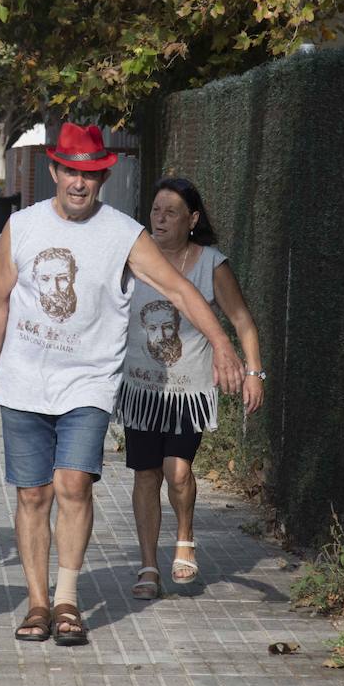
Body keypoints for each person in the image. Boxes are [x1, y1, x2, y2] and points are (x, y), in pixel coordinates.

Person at [0, 123, 243, 647]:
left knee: (73, 484)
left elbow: (181, 290)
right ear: (55, 171)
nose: (79, 183)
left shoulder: (123, 234)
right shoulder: (22, 226)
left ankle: (68, 599)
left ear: (103, 175)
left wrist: (222, 342)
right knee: (33, 493)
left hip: (89, 383)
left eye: (90, 174)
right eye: (71, 171)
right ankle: (37, 602)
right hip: (24, 381)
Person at [117, 177, 264, 598]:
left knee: (177, 470)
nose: (159, 219)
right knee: (146, 474)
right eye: (155, 211)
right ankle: (148, 567)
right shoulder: (132, 260)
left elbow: (242, 321)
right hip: (141, 389)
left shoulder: (210, 263)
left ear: (192, 219)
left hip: (189, 389)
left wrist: (254, 371)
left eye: (171, 212)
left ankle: (184, 536)